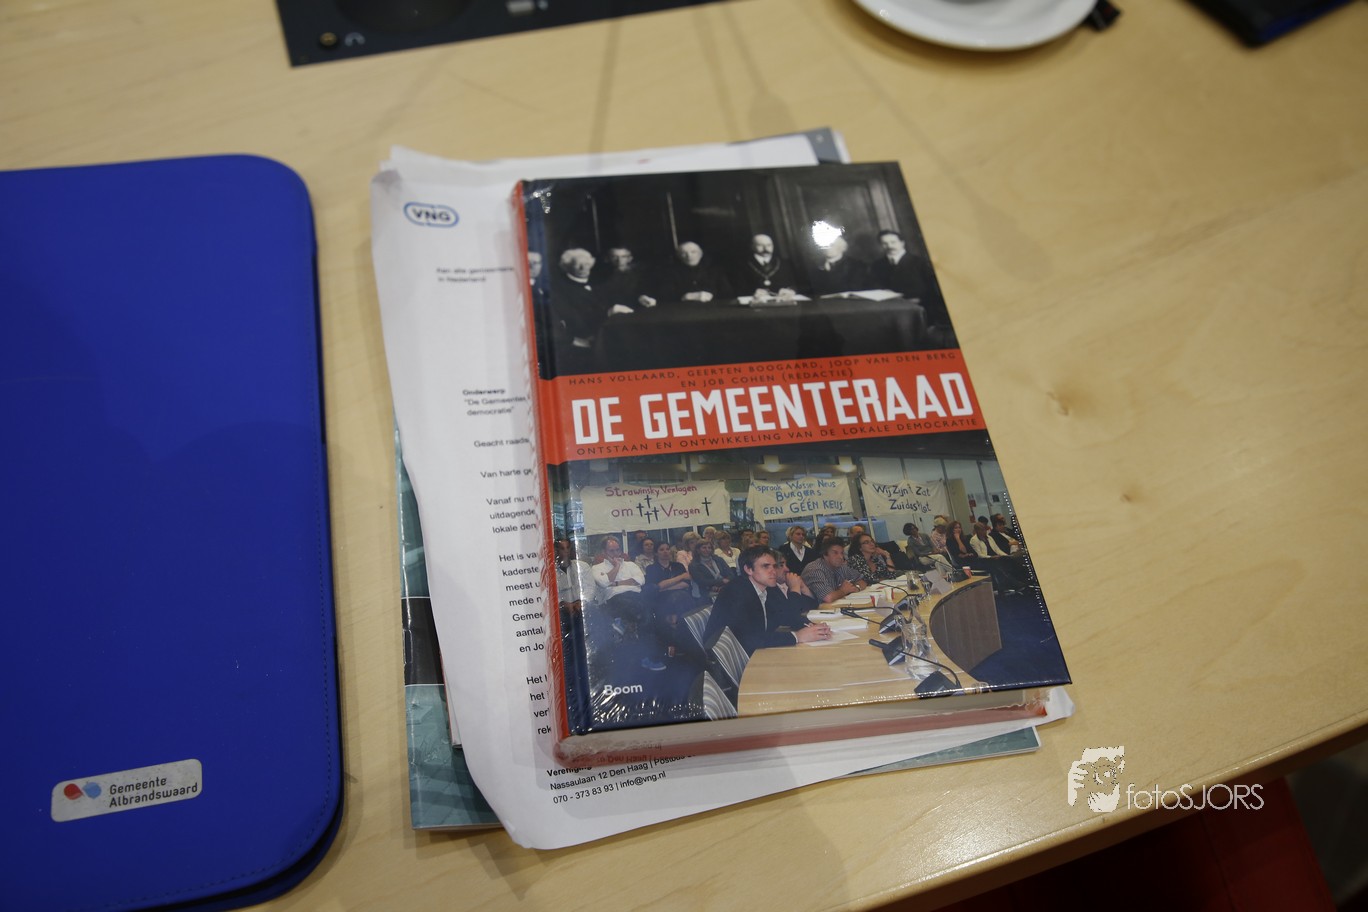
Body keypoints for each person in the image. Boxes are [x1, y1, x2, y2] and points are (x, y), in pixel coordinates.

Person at [704, 546, 831, 655]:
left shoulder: (766, 588)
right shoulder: (738, 592)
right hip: (734, 658)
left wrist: (811, 627)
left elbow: (786, 614)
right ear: (748, 569)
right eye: (765, 566)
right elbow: (750, 638)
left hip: (751, 651)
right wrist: (798, 636)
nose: (773, 571)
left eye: (774, 566)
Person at [652, 241, 733, 303]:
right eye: (684, 253)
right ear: (679, 256)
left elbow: (727, 293)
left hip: (712, 308)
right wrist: (685, 297)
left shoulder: (715, 270)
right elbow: (664, 295)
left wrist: (710, 295)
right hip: (682, 311)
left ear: (700, 254)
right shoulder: (670, 272)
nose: (689, 256)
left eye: (693, 252)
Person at [730, 233, 802, 298]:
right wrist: (752, 293)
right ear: (752, 246)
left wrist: (792, 291)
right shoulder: (741, 265)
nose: (765, 248)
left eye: (769, 245)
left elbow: (797, 285)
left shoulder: (785, 263)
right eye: (760, 245)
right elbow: (736, 289)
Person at [801, 538, 867, 604]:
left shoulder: (841, 567)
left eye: (842, 553)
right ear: (825, 555)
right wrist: (843, 591)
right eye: (835, 553)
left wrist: (856, 588)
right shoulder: (815, 570)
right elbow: (828, 598)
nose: (840, 557)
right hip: (812, 609)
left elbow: (862, 581)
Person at [644, 542, 696, 619]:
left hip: (682, 596)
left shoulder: (678, 566)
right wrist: (681, 577)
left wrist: (666, 586)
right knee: (680, 597)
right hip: (662, 599)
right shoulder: (651, 568)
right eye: (661, 550)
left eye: (667, 549)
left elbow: (686, 584)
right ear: (656, 553)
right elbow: (658, 587)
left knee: (681, 596)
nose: (665, 552)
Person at [688, 538, 734, 604]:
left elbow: (730, 574)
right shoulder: (693, 565)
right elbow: (702, 581)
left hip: (724, 587)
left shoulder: (718, 559)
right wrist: (722, 581)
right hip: (706, 592)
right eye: (704, 548)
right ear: (698, 550)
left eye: (709, 548)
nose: (707, 550)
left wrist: (721, 586)